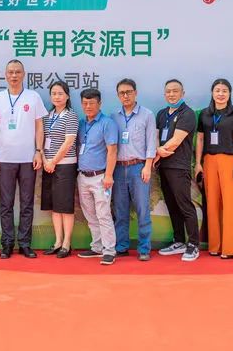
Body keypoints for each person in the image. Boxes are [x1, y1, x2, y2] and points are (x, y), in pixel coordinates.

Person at [0, 59, 47, 259]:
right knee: (6, 204)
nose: (14, 75)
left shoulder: (33, 97)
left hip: (29, 159)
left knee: (27, 203)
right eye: (11, 72)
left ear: (23, 74)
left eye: (18, 72)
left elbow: (39, 126)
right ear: (5, 75)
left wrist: (38, 151)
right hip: (4, 159)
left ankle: (25, 244)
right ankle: (7, 244)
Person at [195, 79, 233, 258]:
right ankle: (215, 246)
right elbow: (200, 139)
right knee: (212, 204)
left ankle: (231, 248)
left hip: (230, 160)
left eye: (224, 90)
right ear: (212, 92)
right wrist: (198, 163)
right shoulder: (204, 114)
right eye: (217, 90)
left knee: (231, 204)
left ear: (229, 93)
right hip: (209, 161)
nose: (221, 94)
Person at [155, 79, 200, 262]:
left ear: (182, 93)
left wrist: (157, 151)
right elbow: (155, 136)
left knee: (184, 205)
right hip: (163, 167)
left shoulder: (187, 114)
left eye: (175, 91)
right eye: (168, 91)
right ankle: (179, 241)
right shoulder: (161, 114)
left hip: (179, 166)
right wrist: (157, 150)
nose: (171, 94)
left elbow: (175, 141)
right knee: (172, 205)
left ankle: (193, 244)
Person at [111, 78, 156, 262]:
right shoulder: (113, 116)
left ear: (135, 93)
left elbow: (151, 143)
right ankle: (121, 246)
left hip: (139, 167)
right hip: (118, 169)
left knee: (142, 209)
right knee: (120, 210)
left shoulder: (147, 115)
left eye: (129, 92)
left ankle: (144, 248)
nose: (126, 96)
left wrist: (148, 166)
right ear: (118, 96)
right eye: (122, 93)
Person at [76, 88, 119, 265]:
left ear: (99, 103)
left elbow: (112, 150)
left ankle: (109, 250)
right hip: (82, 176)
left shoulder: (107, 123)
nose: (88, 106)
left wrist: (108, 175)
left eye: (92, 103)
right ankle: (97, 247)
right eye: (85, 103)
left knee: (103, 214)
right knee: (90, 214)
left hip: (100, 177)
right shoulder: (81, 124)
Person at [41, 81, 79, 259]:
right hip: (49, 165)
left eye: (60, 93)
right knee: (55, 206)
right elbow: (41, 140)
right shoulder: (47, 116)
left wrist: (53, 161)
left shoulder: (71, 115)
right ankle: (57, 242)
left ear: (67, 96)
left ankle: (66, 243)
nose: (57, 97)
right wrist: (45, 160)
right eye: (54, 93)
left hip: (65, 165)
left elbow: (68, 142)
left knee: (65, 206)